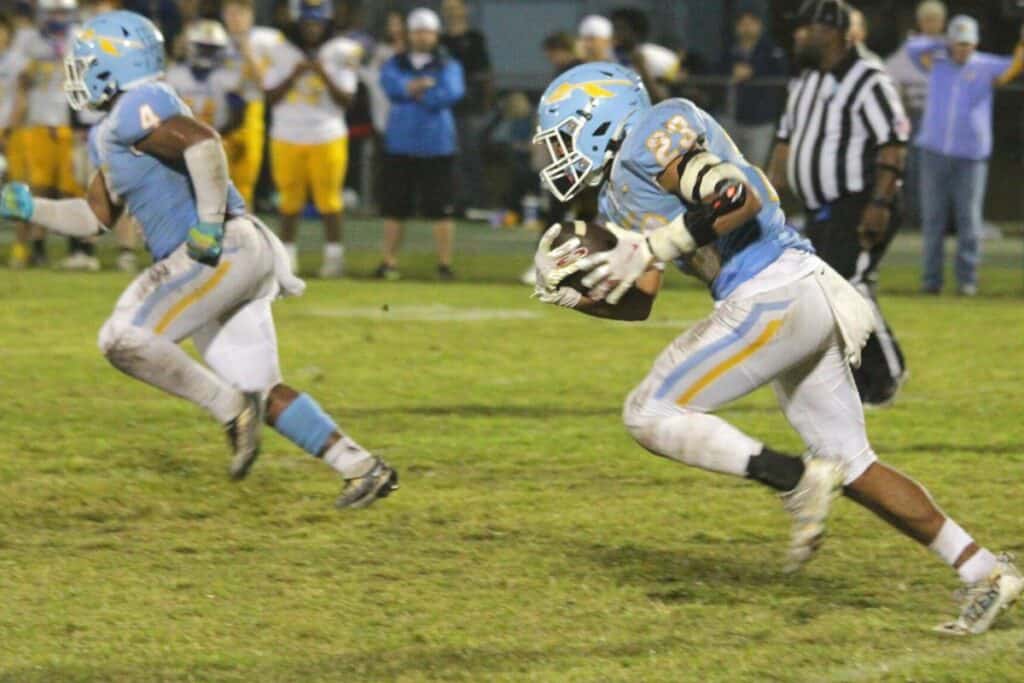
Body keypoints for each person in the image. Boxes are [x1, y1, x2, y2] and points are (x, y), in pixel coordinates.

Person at [529, 61, 1022, 636]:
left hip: (772, 291)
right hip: (793, 294)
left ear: (598, 120)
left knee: (648, 412)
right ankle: (986, 571)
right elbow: (641, 300)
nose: (559, 153)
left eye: (564, 137)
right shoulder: (617, 198)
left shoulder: (651, 135)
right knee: (853, 465)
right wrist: (578, 298)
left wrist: (655, 246)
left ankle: (790, 477)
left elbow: (735, 197)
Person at [0, 10, 398, 508]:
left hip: (216, 248)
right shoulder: (113, 127)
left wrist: (207, 223)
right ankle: (361, 466)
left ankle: (229, 408)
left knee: (121, 337)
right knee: (261, 388)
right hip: (234, 252)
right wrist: (29, 208)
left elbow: (204, 143)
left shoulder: (137, 101)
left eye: (85, 61)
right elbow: (95, 216)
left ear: (115, 62)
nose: (77, 73)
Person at [767, 0, 908, 408]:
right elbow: (785, 140)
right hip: (823, 208)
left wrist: (879, 203)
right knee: (825, 293)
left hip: (860, 200)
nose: (797, 37)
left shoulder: (868, 78)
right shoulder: (804, 79)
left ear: (831, 33)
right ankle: (860, 377)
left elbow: (893, 143)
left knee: (848, 284)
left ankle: (886, 372)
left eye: (806, 29)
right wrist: (768, 196)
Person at [907, 15, 1024, 296]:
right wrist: (940, 42)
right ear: (950, 43)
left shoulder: (986, 65)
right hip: (933, 152)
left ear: (976, 43)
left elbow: (1015, 65)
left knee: (969, 220)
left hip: (971, 156)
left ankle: (967, 280)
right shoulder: (936, 62)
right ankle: (931, 281)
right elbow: (912, 48)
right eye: (958, 43)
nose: (963, 49)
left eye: (968, 44)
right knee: (933, 220)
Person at [264, 0, 360, 278]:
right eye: (307, 23)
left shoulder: (341, 50)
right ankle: (287, 258)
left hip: (326, 133)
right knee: (288, 202)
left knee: (329, 201)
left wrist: (323, 73)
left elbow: (347, 100)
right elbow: (270, 97)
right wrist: (294, 75)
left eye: (317, 23)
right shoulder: (279, 48)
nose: (312, 29)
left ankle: (334, 257)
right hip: (287, 134)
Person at [375, 7, 464, 281]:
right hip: (400, 143)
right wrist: (419, 87)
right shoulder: (395, 62)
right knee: (394, 207)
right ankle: (388, 262)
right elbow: (389, 86)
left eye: (427, 31)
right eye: (418, 31)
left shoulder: (448, 63)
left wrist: (413, 91)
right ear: (410, 34)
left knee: (441, 209)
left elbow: (451, 93)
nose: (423, 36)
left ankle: (444, 265)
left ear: (436, 34)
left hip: (437, 144)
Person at [885, 0, 947, 227]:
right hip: (916, 117)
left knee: (942, 171)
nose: (932, 24)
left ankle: (942, 220)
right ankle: (915, 220)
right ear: (920, 22)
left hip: (945, 120)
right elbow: (888, 76)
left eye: (936, 19)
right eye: (927, 19)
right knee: (915, 170)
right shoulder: (909, 50)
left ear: (943, 22)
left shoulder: (949, 48)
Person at [220, 0, 280, 208]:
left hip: (249, 111)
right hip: (220, 112)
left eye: (239, 14)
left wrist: (247, 52)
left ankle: (243, 225)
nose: (234, 19)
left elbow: (266, 83)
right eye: (230, 13)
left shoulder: (264, 40)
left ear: (250, 16)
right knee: (215, 180)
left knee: (244, 182)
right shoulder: (218, 40)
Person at [441, 0, 491, 214]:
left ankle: (477, 202)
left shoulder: (475, 39)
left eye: (455, 8)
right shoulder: (441, 41)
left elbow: (485, 74)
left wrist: (484, 105)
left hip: (470, 107)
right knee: (450, 156)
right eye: (447, 9)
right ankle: (453, 201)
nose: (451, 12)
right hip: (445, 106)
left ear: (464, 10)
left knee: (471, 154)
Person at [722, 7, 788, 166]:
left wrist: (754, 71)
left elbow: (782, 72)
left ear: (760, 26)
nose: (746, 28)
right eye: (743, 24)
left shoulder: (771, 50)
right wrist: (732, 71)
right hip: (732, 119)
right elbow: (715, 69)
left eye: (751, 23)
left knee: (755, 167)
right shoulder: (729, 50)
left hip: (761, 121)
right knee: (730, 167)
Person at [610, 7, 680, 104]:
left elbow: (661, 101)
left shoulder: (657, 57)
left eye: (621, 28)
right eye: (614, 28)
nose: (615, 33)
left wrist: (642, 68)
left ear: (636, 32)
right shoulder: (608, 55)